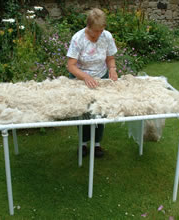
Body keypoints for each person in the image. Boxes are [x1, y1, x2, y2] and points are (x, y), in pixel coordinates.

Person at [66, 8, 118, 158]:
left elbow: (110, 58)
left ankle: (97, 144)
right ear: (88, 27)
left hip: (101, 77)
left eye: (101, 30)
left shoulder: (106, 36)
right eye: (96, 31)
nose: (99, 34)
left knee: (100, 110)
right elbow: (71, 65)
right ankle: (83, 143)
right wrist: (86, 77)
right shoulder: (78, 39)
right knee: (83, 112)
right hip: (80, 79)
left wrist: (112, 69)